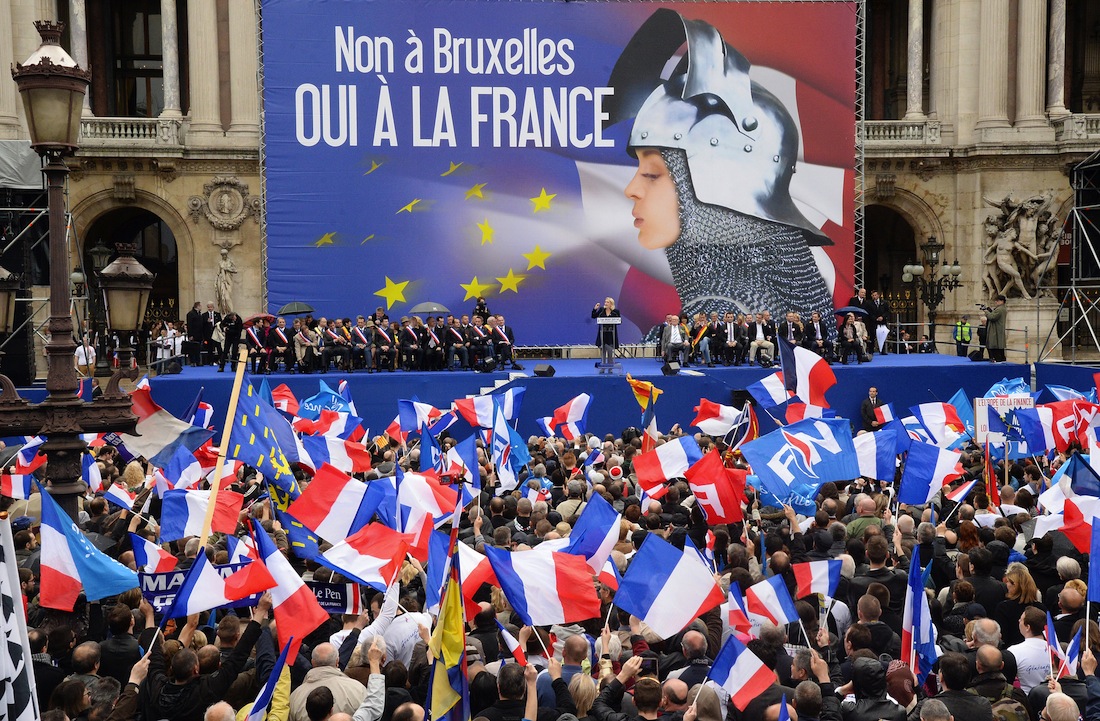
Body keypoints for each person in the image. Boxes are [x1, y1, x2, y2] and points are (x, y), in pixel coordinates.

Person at [615, 8, 834, 323]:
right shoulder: (757, 299)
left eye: (652, 174)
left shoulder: (726, 312)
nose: (631, 189)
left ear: (721, 184)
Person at [593, 298, 620, 372]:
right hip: (603, 334)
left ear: (611, 304)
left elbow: (618, 320)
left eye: (607, 302)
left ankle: (610, 368)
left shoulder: (615, 312)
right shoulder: (601, 310)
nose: (605, 303)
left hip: (611, 335)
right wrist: (595, 309)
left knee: (610, 352)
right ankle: (602, 368)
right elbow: (594, 316)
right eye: (605, 302)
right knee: (603, 352)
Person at [984, 295, 1007, 363]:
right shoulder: (1000, 309)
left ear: (1002, 301)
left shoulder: (1000, 309)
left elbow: (992, 317)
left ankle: (997, 361)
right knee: (999, 350)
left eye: (997, 300)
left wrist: (986, 311)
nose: (996, 302)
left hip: (995, 332)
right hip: (996, 331)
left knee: (995, 349)